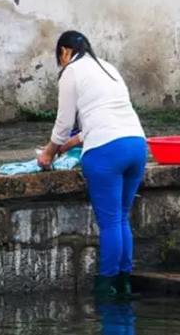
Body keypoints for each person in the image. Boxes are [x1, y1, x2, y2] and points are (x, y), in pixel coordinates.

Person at [38, 30, 148, 298]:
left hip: (106, 153)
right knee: (122, 218)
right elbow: (106, 115)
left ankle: (107, 287)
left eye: (59, 57)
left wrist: (49, 153)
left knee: (110, 222)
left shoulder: (71, 72)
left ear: (64, 52)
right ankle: (124, 282)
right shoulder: (107, 67)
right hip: (136, 144)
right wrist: (72, 142)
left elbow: (63, 122)